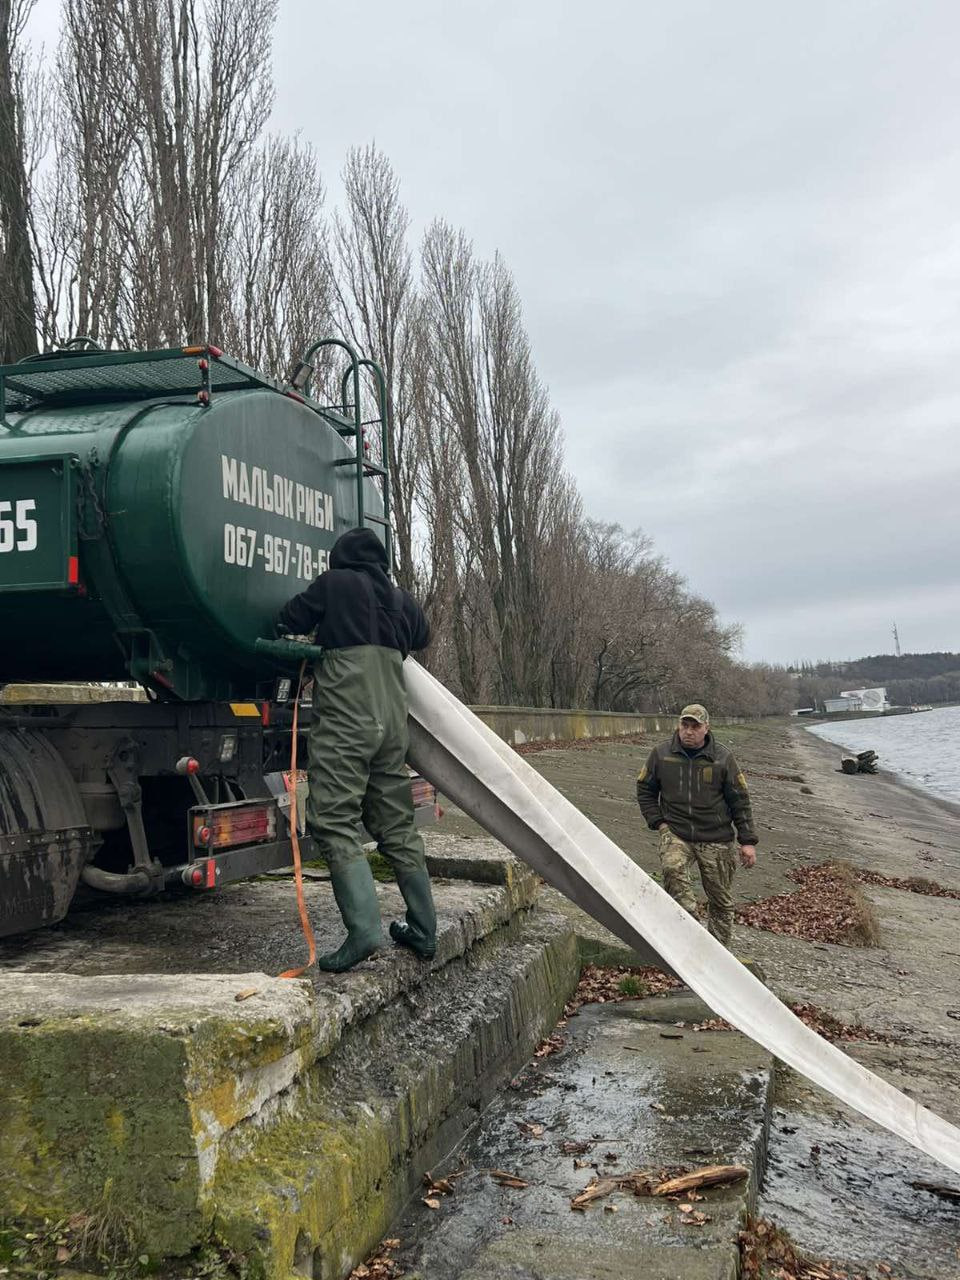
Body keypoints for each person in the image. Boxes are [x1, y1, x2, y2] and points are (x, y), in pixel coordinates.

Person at [277, 526, 436, 972]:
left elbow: (290, 618)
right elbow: (420, 636)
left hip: (348, 724)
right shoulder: (401, 599)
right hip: (391, 728)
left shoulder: (335, 584)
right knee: (397, 825)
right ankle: (423, 930)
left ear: (340, 559)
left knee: (333, 819)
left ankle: (364, 932)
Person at [635, 704, 757, 948]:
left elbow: (739, 800)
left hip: (717, 837)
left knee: (720, 899)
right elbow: (645, 789)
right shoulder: (661, 754)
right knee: (672, 870)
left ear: (706, 728)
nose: (689, 731)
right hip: (677, 832)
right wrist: (659, 823)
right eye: (685, 725)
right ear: (679, 726)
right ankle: (689, 930)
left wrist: (747, 841)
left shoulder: (723, 758)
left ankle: (718, 951)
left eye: (695, 727)